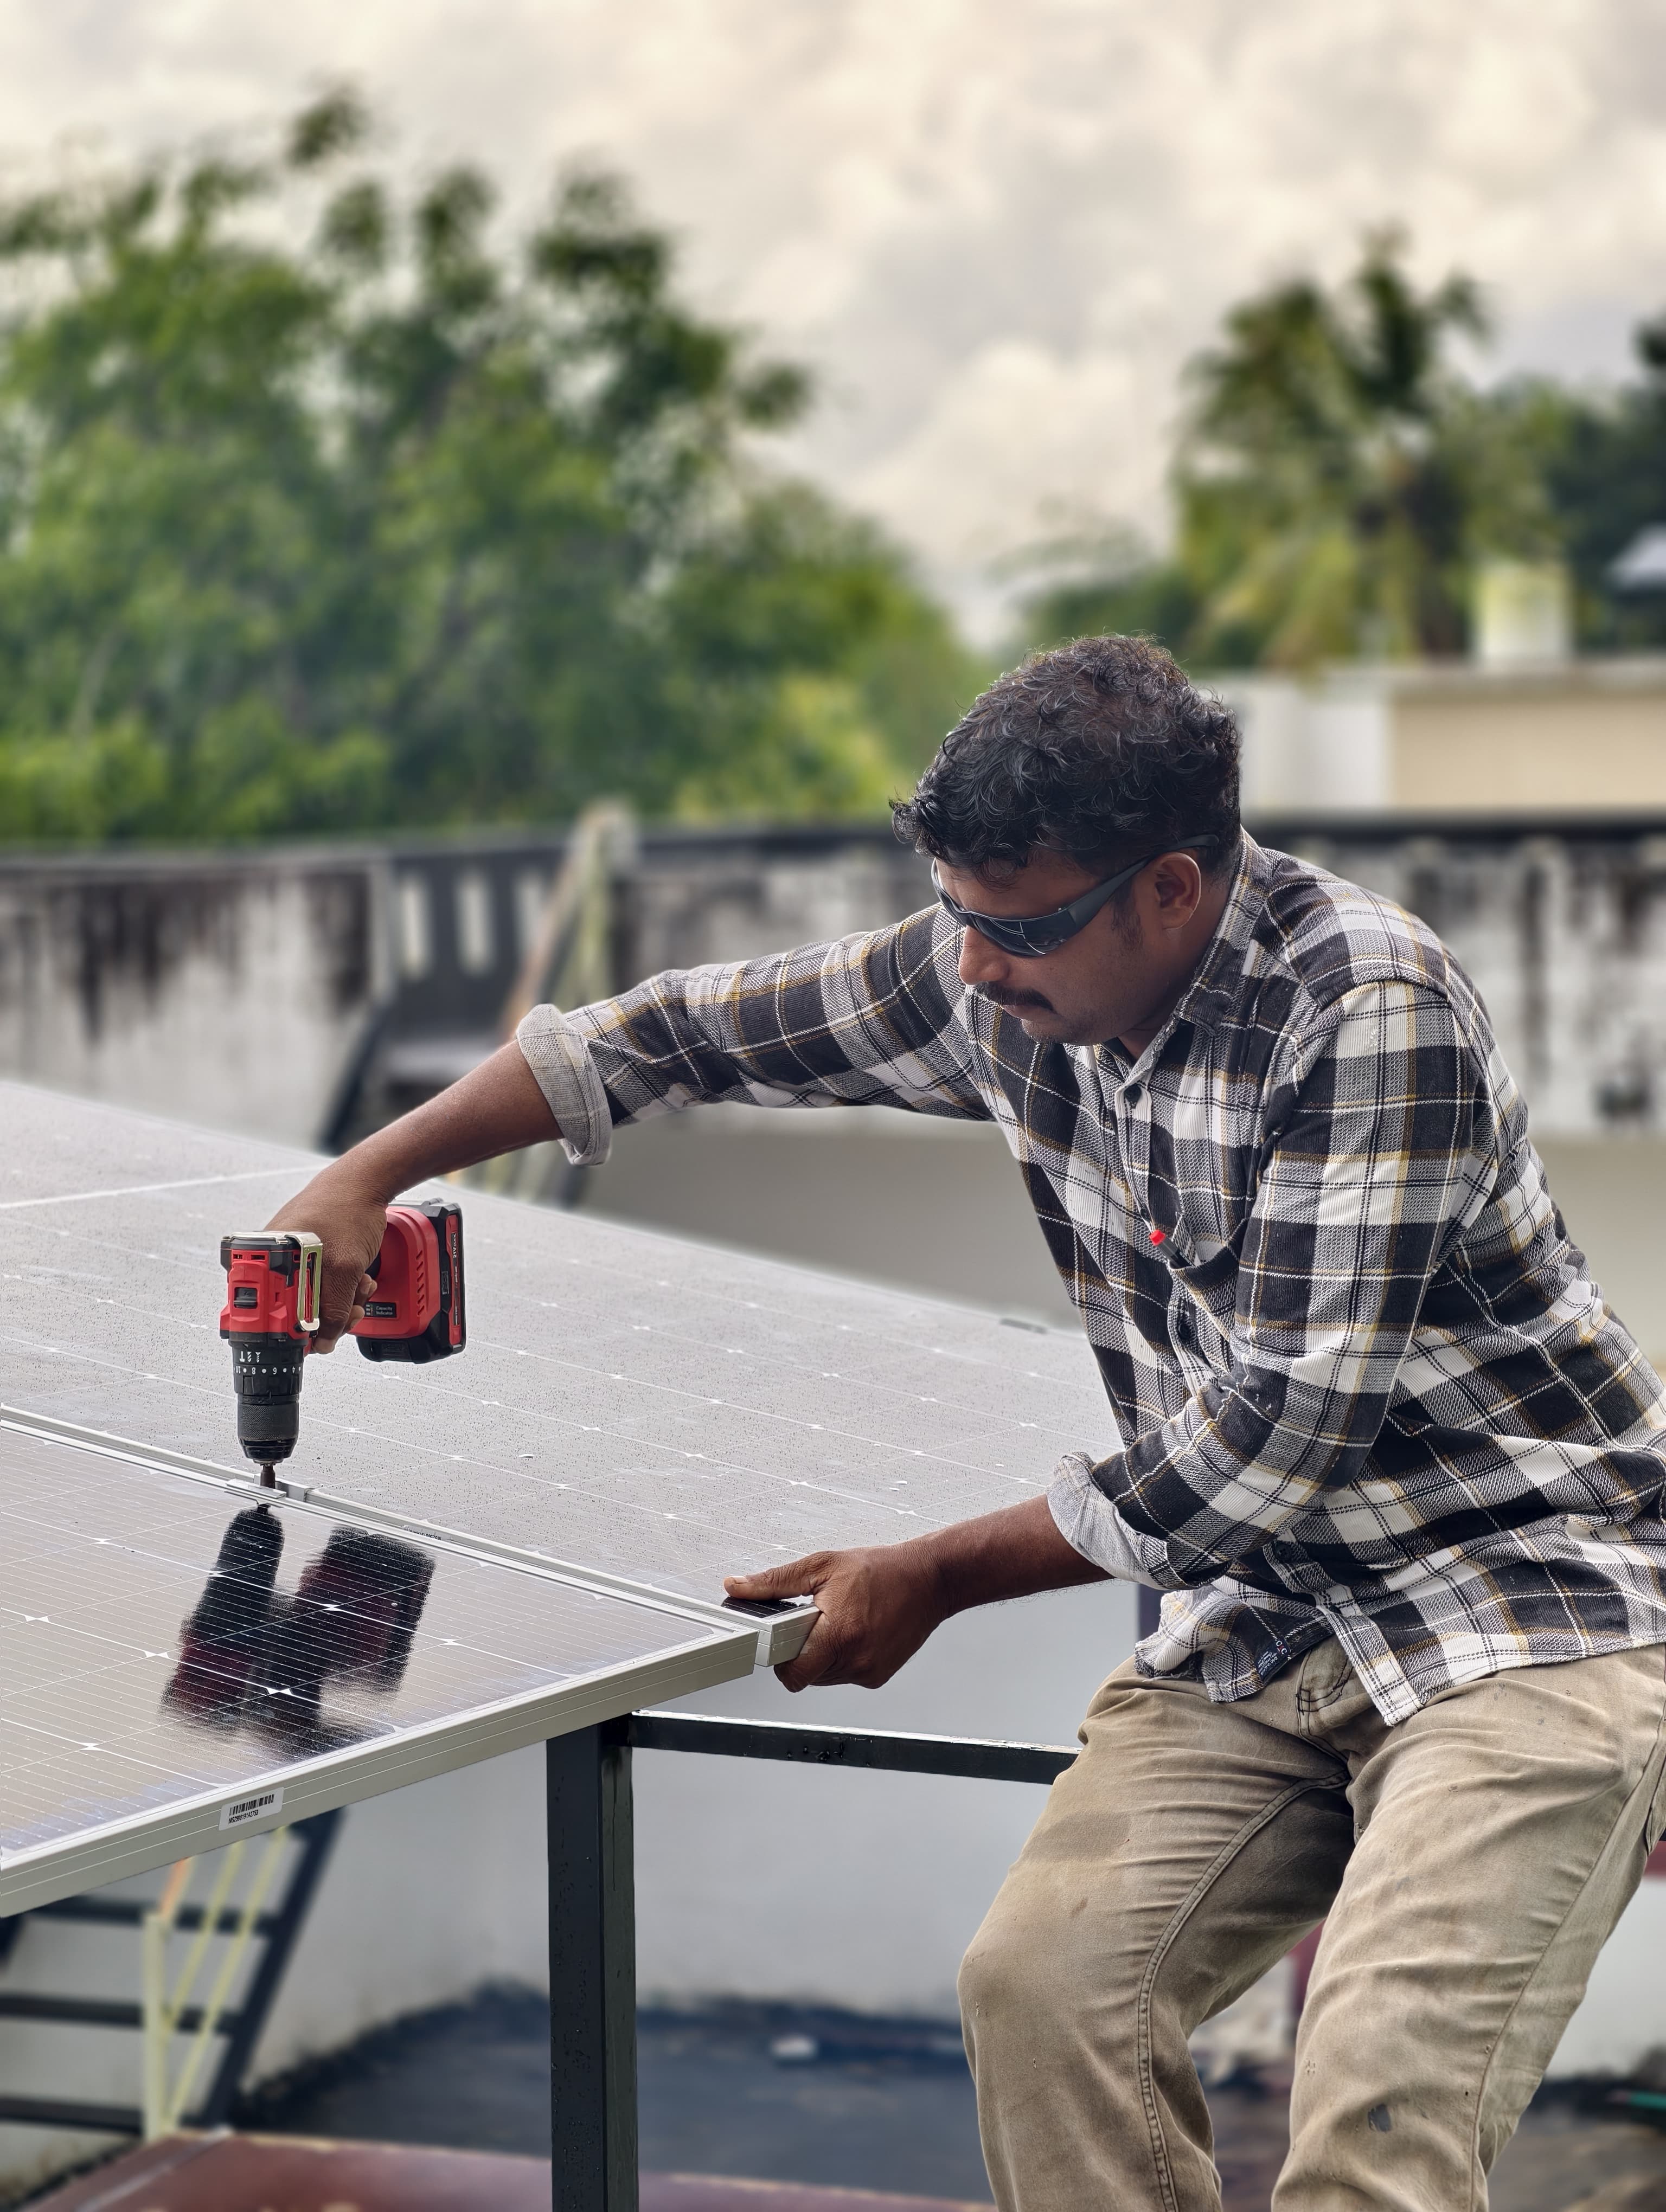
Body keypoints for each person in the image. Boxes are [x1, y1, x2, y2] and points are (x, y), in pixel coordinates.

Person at [273, 634, 1666, 2211]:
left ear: (1175, 887)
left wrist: (930, 1573)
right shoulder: (994, 974)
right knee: (1045, 1989)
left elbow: (1273, 1446)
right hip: (1271, 1623)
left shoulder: (1365, 1013)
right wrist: (368, 1174)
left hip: (1531, 1608)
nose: (982, 966)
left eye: (1024, 929)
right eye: (958, 916)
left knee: (1374, 2122)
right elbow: (662, 1034)